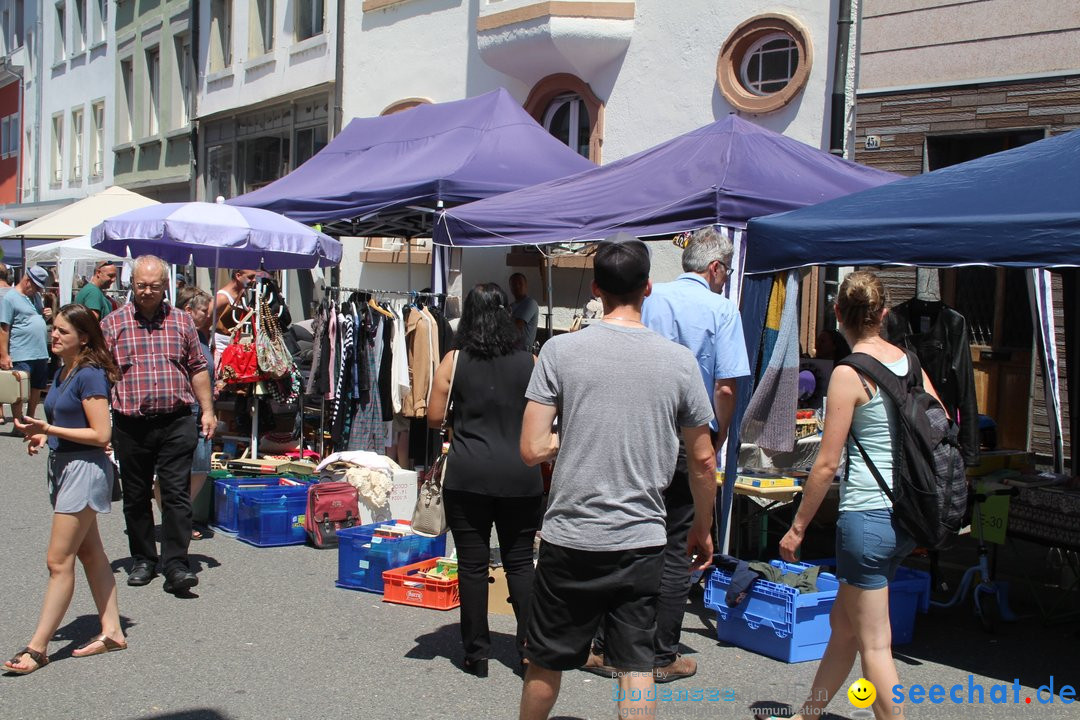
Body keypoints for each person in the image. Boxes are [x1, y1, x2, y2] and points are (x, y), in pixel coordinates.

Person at [518, 237, 717, 720]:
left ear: (595, 289)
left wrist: (577, 433)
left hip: (571, 536)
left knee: (545, 661)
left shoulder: (559, 351)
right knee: (635, 664)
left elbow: (530, 449)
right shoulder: (678, 361)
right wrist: (703, 526)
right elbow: (703, 459)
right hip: (641, 539)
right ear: (648, 288)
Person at [777, 271, 943, 720]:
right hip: (904, 515)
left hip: (866, 517)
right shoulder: (909, 362)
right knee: (843, 628)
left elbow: (826, 464)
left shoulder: (848, 374)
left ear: (837, 313)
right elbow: (945, 421)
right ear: (884, 313)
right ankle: (809, 714)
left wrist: (797, 528)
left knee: (874, 644)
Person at [590, 225, 751, 682]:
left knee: (628, 532)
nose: (726, 278)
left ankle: (605, 645)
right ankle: (661, 654)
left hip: (640, 431)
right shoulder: (721, 309)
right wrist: (715, 438)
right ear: (715, 268)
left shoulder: (650, 297)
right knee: (681, 544)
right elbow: (724, 385)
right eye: (727, 271)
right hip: (686, 435)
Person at [427, 282, 544, 678]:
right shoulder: (529, 361)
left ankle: (476, 653)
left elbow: (432, 416)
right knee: (520, 564)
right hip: (520, 473)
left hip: (468, 473)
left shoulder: (454, 360)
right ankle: (529, 651)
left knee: (472, 566)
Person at [5, 304, 127, 674]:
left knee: (58, 561)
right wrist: (42, 437)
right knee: (91, 554)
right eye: (53, 329)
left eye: (63, 331)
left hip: (84, 471)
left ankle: (37, 648)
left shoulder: (89, 375)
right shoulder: (63, 371)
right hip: (65, 466)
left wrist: (49, 431)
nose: (54, 335)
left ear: (84, 338)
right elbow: (64, 421)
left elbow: (101, 435)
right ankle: (112, 632)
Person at [101, 255, 216, 594]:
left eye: (154, 285)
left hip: (176, 420)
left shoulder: (182, 322)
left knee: (176, 493)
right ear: (131, 285)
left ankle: (176, 563)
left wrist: (207, 410)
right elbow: (103, 374)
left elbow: (197, 368)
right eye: (141, 285)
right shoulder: (113, 323)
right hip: (130, 423)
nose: (147, 291)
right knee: (136, 495)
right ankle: (143, 559)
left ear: (166, 285)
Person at [176, 285, 216, 540]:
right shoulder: (178, 336)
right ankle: (177, 517)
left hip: (202, 409)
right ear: (189, 310)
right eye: (204, 311)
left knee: (200, 467)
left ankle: (179, 514)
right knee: (175, 469)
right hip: (185, 409)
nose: (208, 316)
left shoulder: (200, 336)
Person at [0, 266, 52, 422]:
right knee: (19, 390)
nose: (38, 290)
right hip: (22, 351)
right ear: (27, 280)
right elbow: (4, 329)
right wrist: (4, 355)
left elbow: (34, 320)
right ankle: (17, 422)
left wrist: (46, 316)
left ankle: (30, 418)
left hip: (40, 351)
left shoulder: (34, 297)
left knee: (37, 387)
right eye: (36, 286)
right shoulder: (10, 298)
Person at [215, 268, 257, 334]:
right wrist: (230, 333)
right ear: (238, 276)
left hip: (237, 342)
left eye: (254, 277)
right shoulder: (222, 297)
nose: (254, 280)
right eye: (250, 277)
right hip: (223, 343)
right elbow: (213, 321)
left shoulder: (243, 294)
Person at [509, 272, 539, 351]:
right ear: (510, 287)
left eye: (520, 283)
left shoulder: (530, 303)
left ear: (526, 285)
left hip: (523, 351)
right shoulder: (511, 306)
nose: (517, 286)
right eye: (514, 284)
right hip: (511, 350)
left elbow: (517, 325)